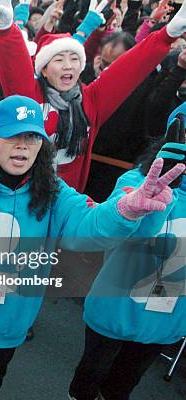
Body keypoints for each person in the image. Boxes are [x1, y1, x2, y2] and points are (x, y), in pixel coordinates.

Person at [0, 95, 184, 400]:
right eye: (12, 135)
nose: (22, 145)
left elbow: (87, 227)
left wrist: (125, 211)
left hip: (12, 317)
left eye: (32, 136)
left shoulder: (52, 190)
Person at [0, 0, 186, 192]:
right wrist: (5, 28)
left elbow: (130, 67)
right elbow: (14, 64)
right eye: (59, 59)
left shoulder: (90, 100)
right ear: (44, 70)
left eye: (74, 59)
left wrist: (168, 34)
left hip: (66, 202)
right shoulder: (29, 96)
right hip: (22, 194)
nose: (68, 65)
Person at [68, 103, 186, 400]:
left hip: (166, 318)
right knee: (89, 377)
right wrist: (145, 201)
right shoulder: (137, 181)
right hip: (116, 305)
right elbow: (121, 227)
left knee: (122, 386)